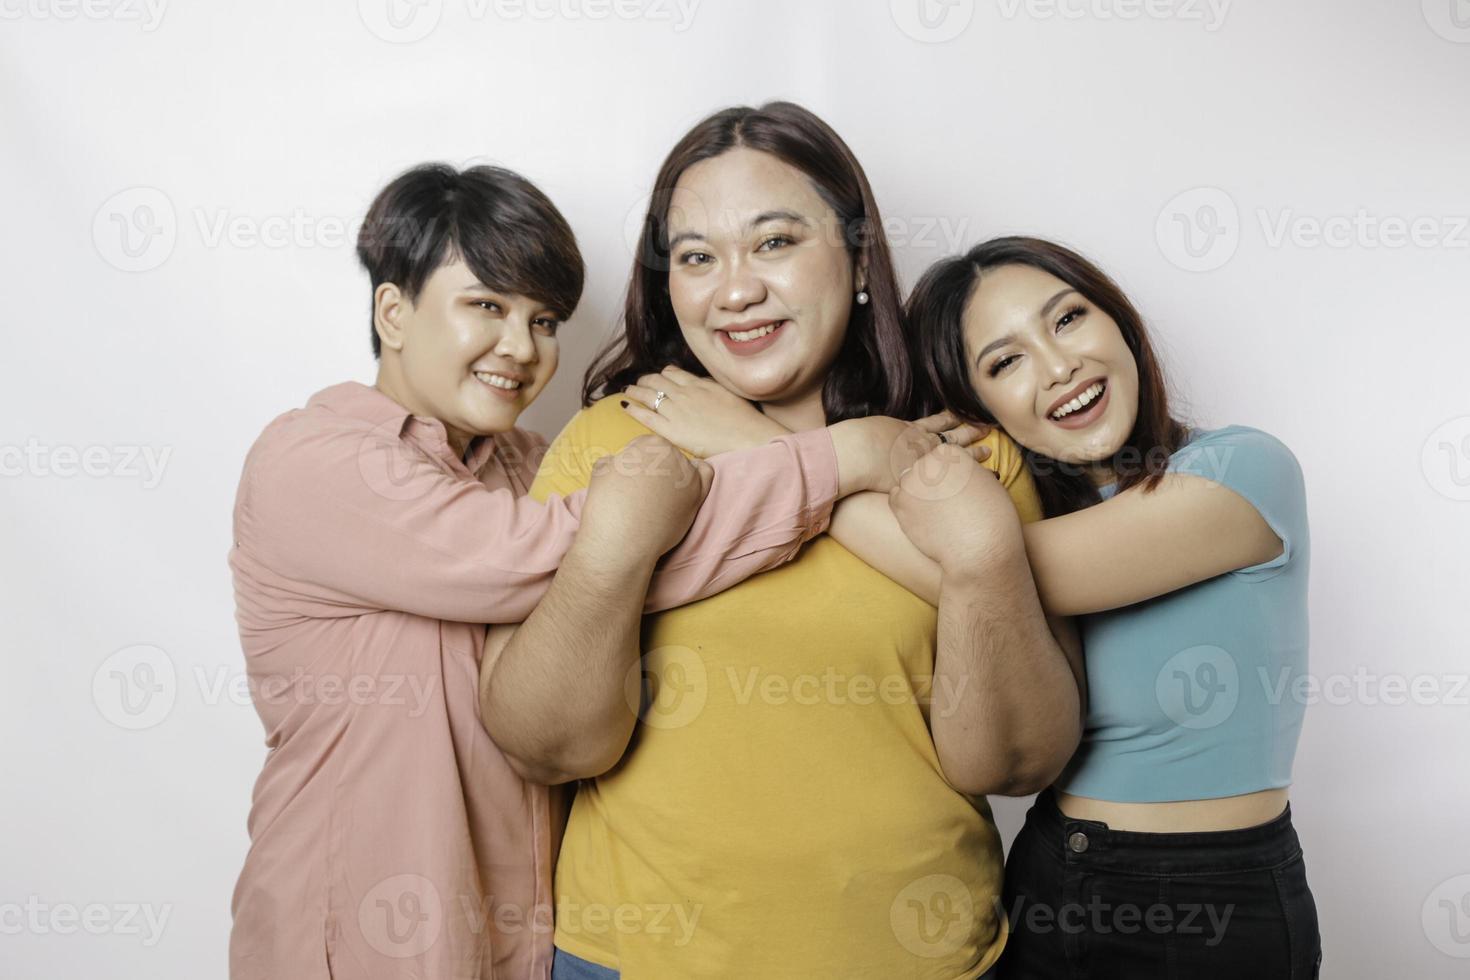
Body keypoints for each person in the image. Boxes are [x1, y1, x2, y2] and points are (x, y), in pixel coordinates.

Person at [226, 161, 948, 980]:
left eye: (544, 320)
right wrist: (838, 458)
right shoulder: (314, 463)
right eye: (487, 307)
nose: (521, 348)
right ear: (394, 311)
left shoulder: (529, 461)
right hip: (358, 942)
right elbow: (543, 554)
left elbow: (624, 569)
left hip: (525, 945)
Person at [480, 103, 1084, 980]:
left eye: (774, 243)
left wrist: (980, 555)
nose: (734, 290)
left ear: (858, 260)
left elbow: (1019, 762)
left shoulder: (960, 456)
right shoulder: (612, 443)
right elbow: (546, 744)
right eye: (696, 257)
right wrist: (617, 546)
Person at [884, 236, 1319, 977]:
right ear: (976, 408)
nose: (1059, 368)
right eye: (1005, 362)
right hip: (1048, 876)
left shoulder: (1239, 469)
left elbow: (991, 569)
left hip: (1212, 901)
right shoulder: (1020, 521)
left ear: (1118, 322)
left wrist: (808, 465)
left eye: (1067, 320)